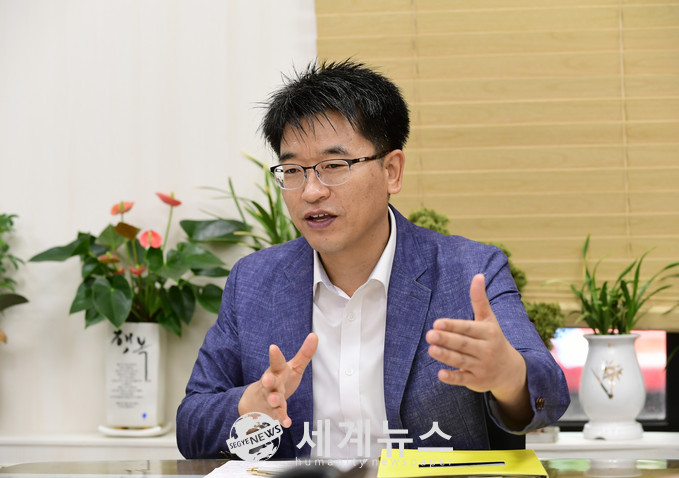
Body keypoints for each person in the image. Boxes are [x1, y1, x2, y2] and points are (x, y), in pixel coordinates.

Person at [176, 59, 570, 459]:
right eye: (293, 170)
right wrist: (251, 404)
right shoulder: (254, 282)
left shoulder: (469, 271)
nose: (311, 191)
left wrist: (509, 376)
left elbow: (550, 399)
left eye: (334, 166)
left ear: (391, 171)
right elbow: (191, 427)